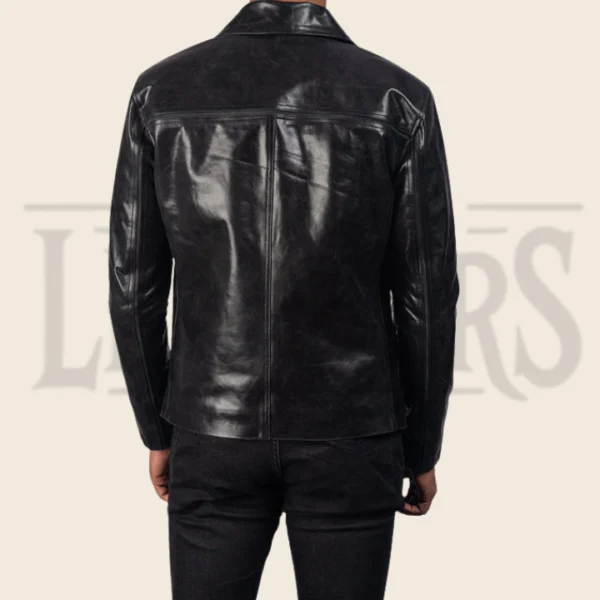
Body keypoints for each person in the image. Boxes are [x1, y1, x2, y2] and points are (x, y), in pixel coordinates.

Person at [108, 0, 459, 598]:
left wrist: (158, 430)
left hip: (210, 427)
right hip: (352, 430)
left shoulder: (160, 92)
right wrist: (422, 445)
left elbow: (131, 285)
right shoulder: (398, 99)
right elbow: (427, 296)